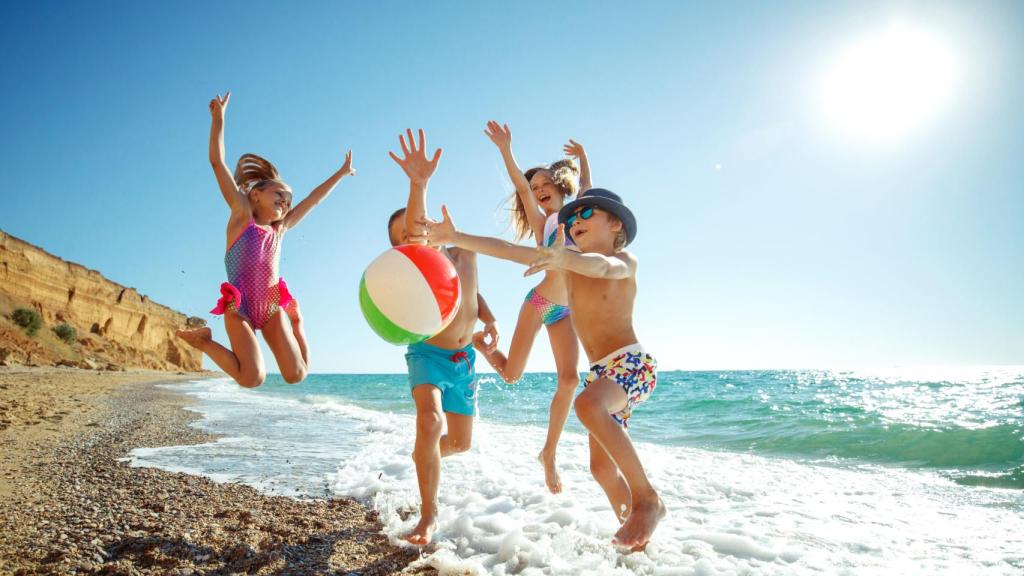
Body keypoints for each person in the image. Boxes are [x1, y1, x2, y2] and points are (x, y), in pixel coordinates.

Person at [418, 188, 665, 551]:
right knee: (600, 469)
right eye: (572, 217)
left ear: (615, 225)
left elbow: (602, 266)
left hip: (631, 364)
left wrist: (565, 259)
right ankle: (637, 546)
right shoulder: (565, 263)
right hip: (603, 375)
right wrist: (455, 237)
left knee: (585, 405)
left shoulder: (624, 260)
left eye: (587, 214)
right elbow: (507, 250)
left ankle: (647, 501)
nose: (576, 220)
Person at [176, 92, 354, 387]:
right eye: (279, 195)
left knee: (297, 374)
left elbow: (313, 201)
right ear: (256, 195)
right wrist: (219, 120)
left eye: (288, 200)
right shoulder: (241, 214)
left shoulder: (280, 229)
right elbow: (217, 163)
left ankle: (298, 323)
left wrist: (340, 173)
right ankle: (204, 342)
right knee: (252, 377)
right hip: (240, 307)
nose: (286, 203)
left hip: (272, 307)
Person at [387, 128, 499, 546]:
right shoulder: (419, 261)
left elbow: (472, 292)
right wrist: (419, 184)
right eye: (404, 236)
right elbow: (418, 231)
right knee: (430, 421)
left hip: (465, 360)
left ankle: (424, 458)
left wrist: (490, 319)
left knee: (460, 443)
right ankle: (427, 516)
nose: (413, 234)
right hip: (428, 355)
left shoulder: (462, 250)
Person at [475, 121, 591, 494]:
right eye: (535, 187)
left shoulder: (579, 216)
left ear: (560, 187)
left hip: (568, 311)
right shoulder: (544, 223)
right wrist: (506, 150)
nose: (538, 190)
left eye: (545, 185)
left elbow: (588, 188)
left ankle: (549, 453)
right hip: (541, 303)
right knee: (510, 375)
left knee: (571, 380)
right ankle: (483, 345)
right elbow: (520, 184)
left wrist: (584, 158)